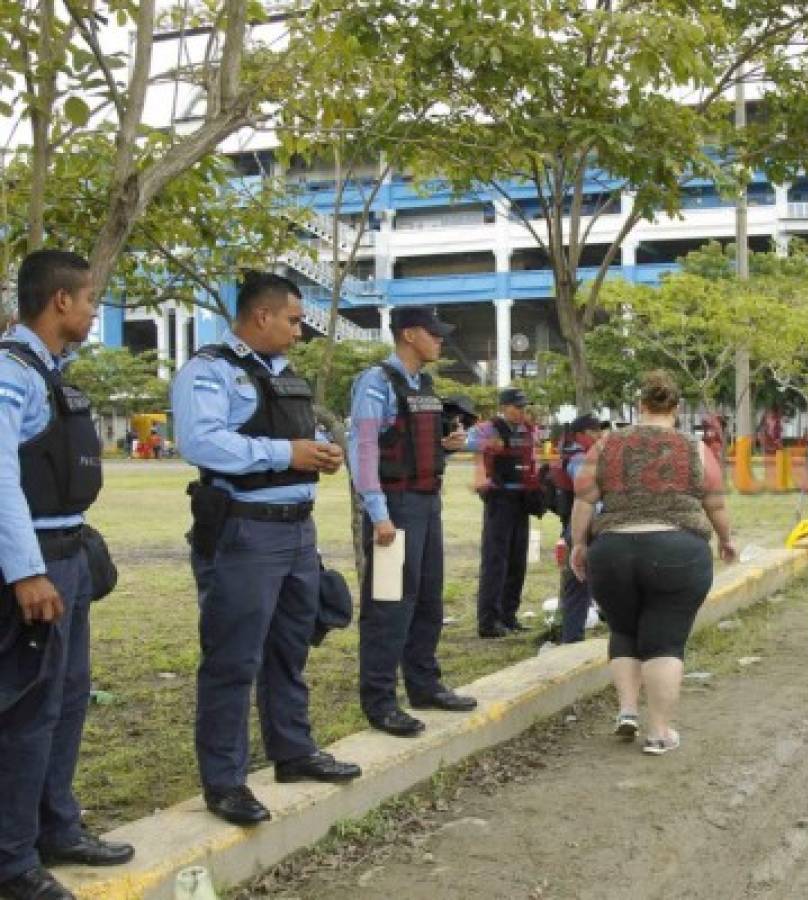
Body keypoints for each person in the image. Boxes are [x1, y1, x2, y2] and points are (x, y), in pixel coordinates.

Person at [171, 272, 360, 827]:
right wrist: (288, 453)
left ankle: (293, 752)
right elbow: (202, 442)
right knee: (233, 659)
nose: (300, 333)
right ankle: (225, 782)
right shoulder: (211, 371)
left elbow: (291, 443)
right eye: (295, 320)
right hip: (245, 533)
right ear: (262, 317)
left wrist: (319, 453)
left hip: (297, 532)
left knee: (290, 648)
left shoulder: (285, 375)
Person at [0, 250, 134, 900]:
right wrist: (26, 572)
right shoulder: (12, 372)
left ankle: (58, 827)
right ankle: (12, 860)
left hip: (69, 555)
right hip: (35, 567)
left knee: (68, 698)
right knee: (28, 710)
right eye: (88, 301)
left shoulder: (52, 373)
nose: (91, 311)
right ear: (60, 302)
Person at [569, 371, 735, 755]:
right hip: (676, 549)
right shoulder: (693, 448)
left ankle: (627, 710)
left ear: (640, 406)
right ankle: (659, 732)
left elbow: (584, 498)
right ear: (676, 409)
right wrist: (726, 539)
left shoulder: (608, 443)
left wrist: (580, 543)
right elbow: (715, 502)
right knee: (664, 641)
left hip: (612, 550)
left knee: (624, 629)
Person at [348, 307, 477, 739]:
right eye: (434, 334)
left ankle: (423, 684)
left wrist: (447, 446)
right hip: (395, 507)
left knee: (427, 600)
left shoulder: (424, 384)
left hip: (425, 503)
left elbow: (410, 444)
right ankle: (380, 701)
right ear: (408, 335)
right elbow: (364, 450)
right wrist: (378, 514)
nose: (441, 341)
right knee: (388, 604)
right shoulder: (376, 382)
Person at [467, 388, 541, 638]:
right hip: (499, 499)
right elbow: (470, 445)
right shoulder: (488, 428)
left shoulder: (526, 430)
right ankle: (489, 621)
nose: (521, 412)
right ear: (504, 406)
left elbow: (533, 456)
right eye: (517, 407)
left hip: (522, 499)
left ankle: (509, 616)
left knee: (517, 560)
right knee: (495, 560)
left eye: (523, 407)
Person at [551, 413, 602, 643]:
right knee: (579, 582)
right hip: (584, 525)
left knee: (583, 582)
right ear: (580, 434)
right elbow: (589, 496)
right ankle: (571, 639)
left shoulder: (575, 454)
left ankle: (571, 633)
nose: (598, 436)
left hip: (576, 525)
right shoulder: (580, 459)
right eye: (593, 432)